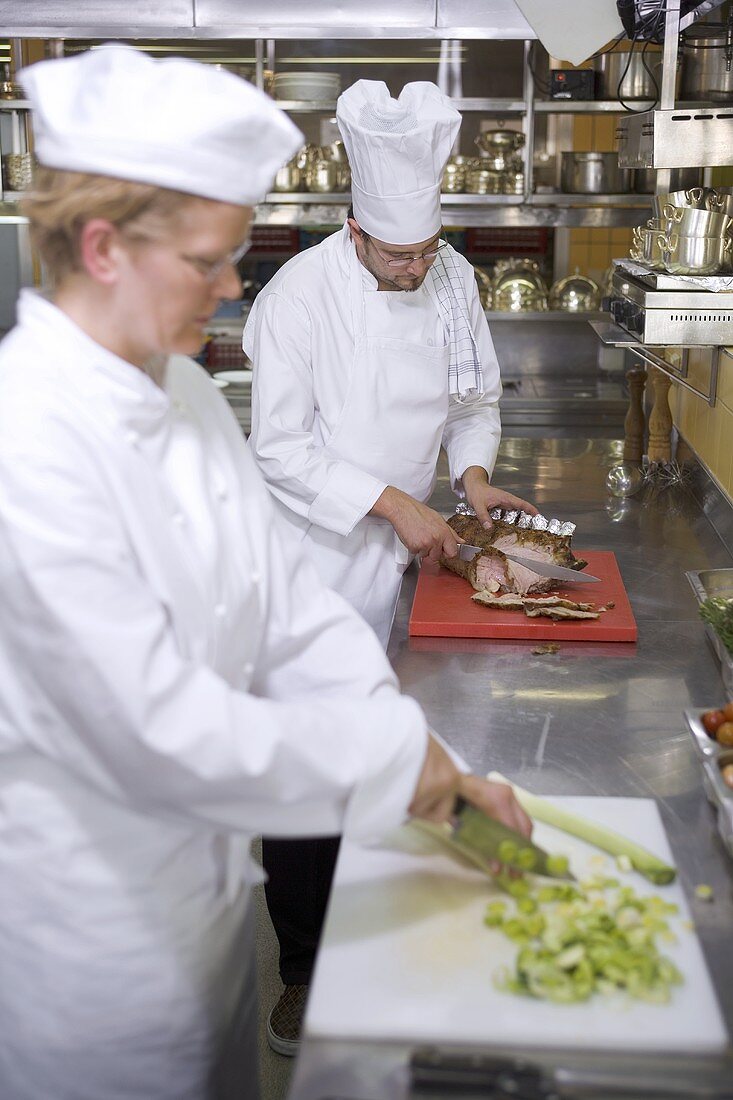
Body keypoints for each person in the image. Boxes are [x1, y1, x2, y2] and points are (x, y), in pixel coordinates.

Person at [0, 45, 531, 1100]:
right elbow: (167, 730)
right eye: (207, 261)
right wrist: (406, 776)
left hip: (204, 920)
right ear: (103, 248)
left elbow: (287, 611)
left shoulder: (186, 399)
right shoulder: (28, 443)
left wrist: (423, 755)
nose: (234, 286)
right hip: (90, 968)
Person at [243, 79, 537, 1053]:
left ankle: (410, 939)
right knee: (310, 776)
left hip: (418, 560)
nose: (416, 269)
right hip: (315, 558)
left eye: (427, 248)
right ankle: (301, 967)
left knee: (413, 740)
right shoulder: (297, 296)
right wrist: (395, 504)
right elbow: (280, 450)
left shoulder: (450, 275)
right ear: (351, 228)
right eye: (397, 253)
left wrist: (474, 476)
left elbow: (472, 399)